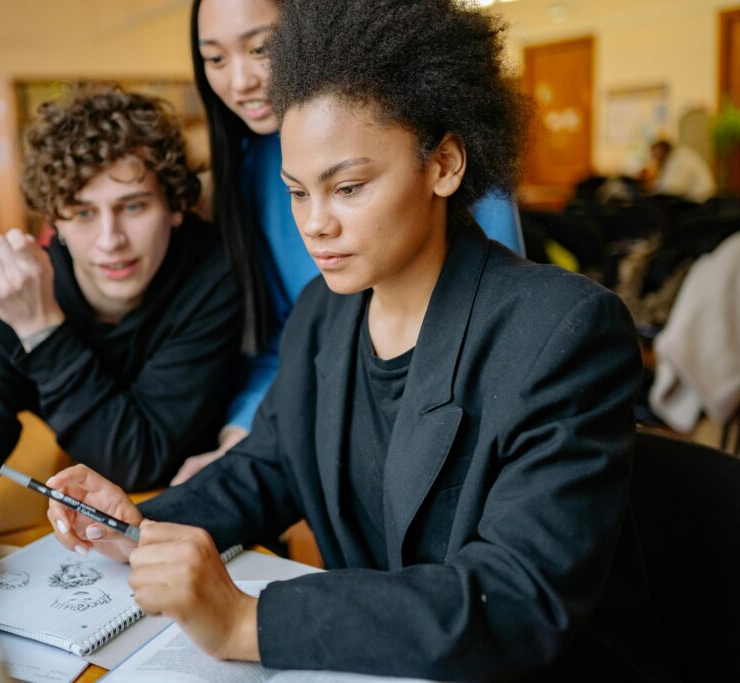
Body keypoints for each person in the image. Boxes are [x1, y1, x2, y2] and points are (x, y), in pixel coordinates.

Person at [44, 1, 669, 679]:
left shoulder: (562, 331)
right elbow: (271, 464)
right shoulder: (323, 313)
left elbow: (516, 599)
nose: (316, 225)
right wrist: (139, 524)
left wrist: (247, 620)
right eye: (297, 192)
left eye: (347, 188)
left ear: (445, 164)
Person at [0, 86, 243, 637]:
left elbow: (139, 459)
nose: (110, 240)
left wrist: (42, 331)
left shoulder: (212, 271)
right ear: (56, 220)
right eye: (81, 212)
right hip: (105, 545)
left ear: (173, 208)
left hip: (206, 530)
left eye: (133, 206)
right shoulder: (18, 289)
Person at [173, 0, 526, 484]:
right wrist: (244, 434)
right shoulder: (251, 166)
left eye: (262, 48)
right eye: (215, 58)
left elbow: (502, 316)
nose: (240, 81)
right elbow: (286, 339)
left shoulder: (438, 155)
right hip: (334, 427)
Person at [649, 138, 715, 203]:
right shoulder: (676, 157)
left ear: (661, 150)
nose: (655, 159)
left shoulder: (680, 159)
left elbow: (671, 189)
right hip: (694, 201)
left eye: (655, 155)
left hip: (699, 203)